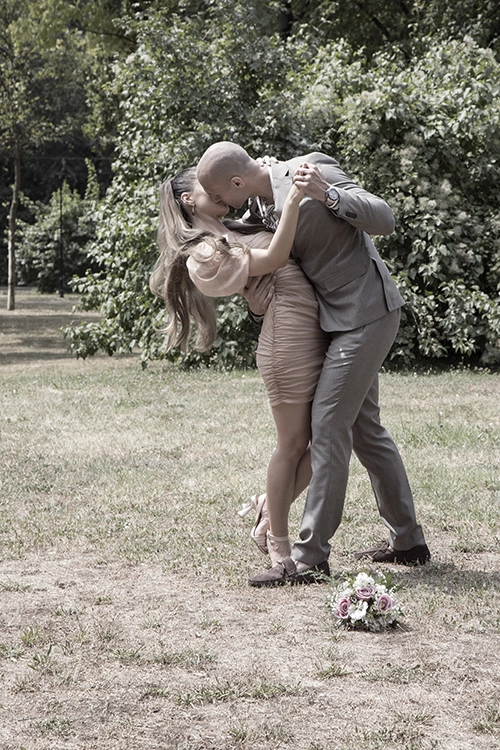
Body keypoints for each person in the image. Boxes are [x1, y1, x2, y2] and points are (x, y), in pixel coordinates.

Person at [197, 142, 431, 586]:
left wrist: (329, 194)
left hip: (367, 311)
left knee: (327, 425)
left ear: (236, 182)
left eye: (221, 195)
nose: (221, 202)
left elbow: (384, 218)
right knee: (366, 430)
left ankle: (309, 558)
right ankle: (408, 542)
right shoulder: (259, 203)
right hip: (333, 323)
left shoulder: (310, 170)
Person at [150, 167, 330, 577]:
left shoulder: (236, 225)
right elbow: (276, 258)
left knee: (331, 436)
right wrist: (295, 199)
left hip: (314, 328)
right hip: (287, 342)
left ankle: (269, 504)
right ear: (188, 199)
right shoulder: (203, 252)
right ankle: (279, 544)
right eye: (206, 186)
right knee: (295, 443)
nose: (217, 190)